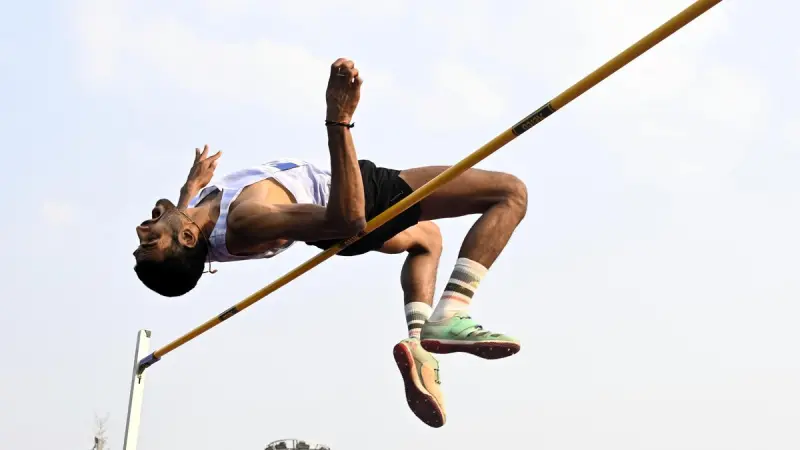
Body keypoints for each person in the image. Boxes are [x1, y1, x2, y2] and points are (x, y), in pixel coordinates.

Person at [133, 58, 528, 428]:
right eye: (150, 241)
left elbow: (182, 228)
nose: (141, 230)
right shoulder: (245, 221)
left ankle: (418, 344)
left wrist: (190, 187)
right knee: (509, 193)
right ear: (187, 236)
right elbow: (347, 220)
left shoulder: (196, 218)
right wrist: (339, 120)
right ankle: (452, 312)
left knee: (428, 240)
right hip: (359, 199)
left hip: (341, 224)